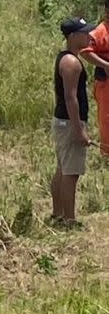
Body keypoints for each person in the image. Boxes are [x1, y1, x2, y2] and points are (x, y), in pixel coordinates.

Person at [51, 17, 96, 227]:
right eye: (84, 33)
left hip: (63, 122)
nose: (89, 36)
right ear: (72, 36)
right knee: (71, 173)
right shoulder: (70, 62)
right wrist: (79, 130)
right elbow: (71, 98)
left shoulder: (70, 58)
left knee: (62, 169)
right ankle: (69, 220)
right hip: (70, 123)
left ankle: (58, 214)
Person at [79, 0, 109, 160]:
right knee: (107, 119)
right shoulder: (99, 31)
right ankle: (107, 155)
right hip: (106, 83)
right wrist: (105, 65)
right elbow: (85, 51)